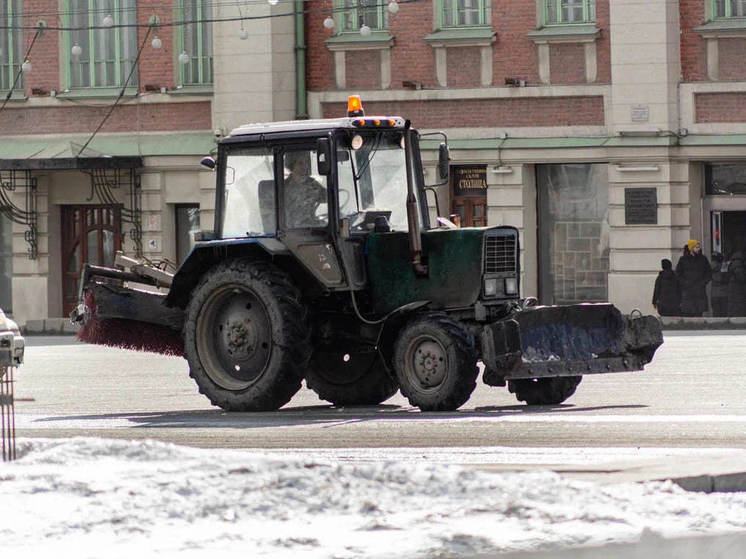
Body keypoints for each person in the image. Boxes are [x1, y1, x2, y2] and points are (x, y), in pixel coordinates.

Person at [283, 150, 327, 228]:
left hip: (312, 227)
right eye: (300, 163)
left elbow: (327, 198)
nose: (305, 166)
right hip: (292, 230)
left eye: (306, 162)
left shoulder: (312, 184)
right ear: (291, 165)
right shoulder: (284, 187)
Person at [675, 239, 711, 316]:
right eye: (696, 247)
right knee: (688, 312)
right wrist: (684, 283)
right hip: (688, 290)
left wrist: (703, 283)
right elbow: (678, 274)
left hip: (699, 290)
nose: (699, 249)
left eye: (699, 247)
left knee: (699, 312)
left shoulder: (703, 259)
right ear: (691, 248)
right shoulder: (683, 259)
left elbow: (708, 272)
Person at [726, 246, 746, 316]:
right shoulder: (738, 261)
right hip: (737, 290)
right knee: (738, 310)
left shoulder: (737, 261)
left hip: (737, 290)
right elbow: (741, 276)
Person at [709, 253, 729, 317]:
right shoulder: (724, 266)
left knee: (716, 314)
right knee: (723, 314)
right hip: (724, 294)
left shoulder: (709, 266)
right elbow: (725, 279)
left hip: (714, 294)